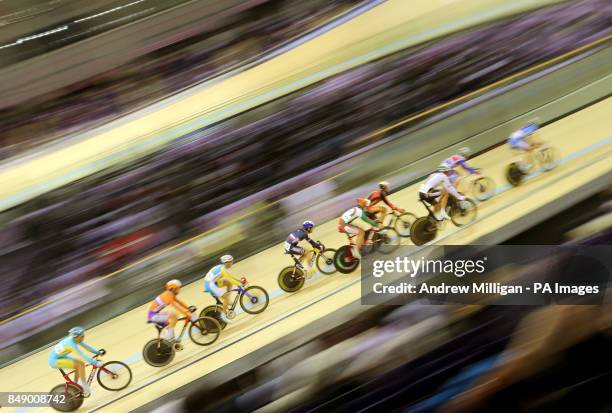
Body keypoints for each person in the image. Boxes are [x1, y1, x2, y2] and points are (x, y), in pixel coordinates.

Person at [48, 326, 102, 397]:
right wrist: (94, 362)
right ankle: (85, 386)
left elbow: (87, 347)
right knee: (80, 365)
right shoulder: (71, 344)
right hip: (54, 361)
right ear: (77, 337)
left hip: (60, 357)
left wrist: (98, 352)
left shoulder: (75, 339)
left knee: (80, 364)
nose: (84, 337)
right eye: (82, 336)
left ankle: (75, 387)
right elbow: (82, 355)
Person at [204, 255, 245, 324]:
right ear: (226, 262)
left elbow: (230, 277)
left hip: (213, 282)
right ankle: (223, 316)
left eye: (232, 261)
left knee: (229, 284)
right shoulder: (222, 270)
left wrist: (239, 281)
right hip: (210, 285)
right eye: (231, 262)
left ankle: (226, 301)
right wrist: (239, 284)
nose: (232, 263)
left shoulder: (222, 267)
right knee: (226, 298)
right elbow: (230, 278)